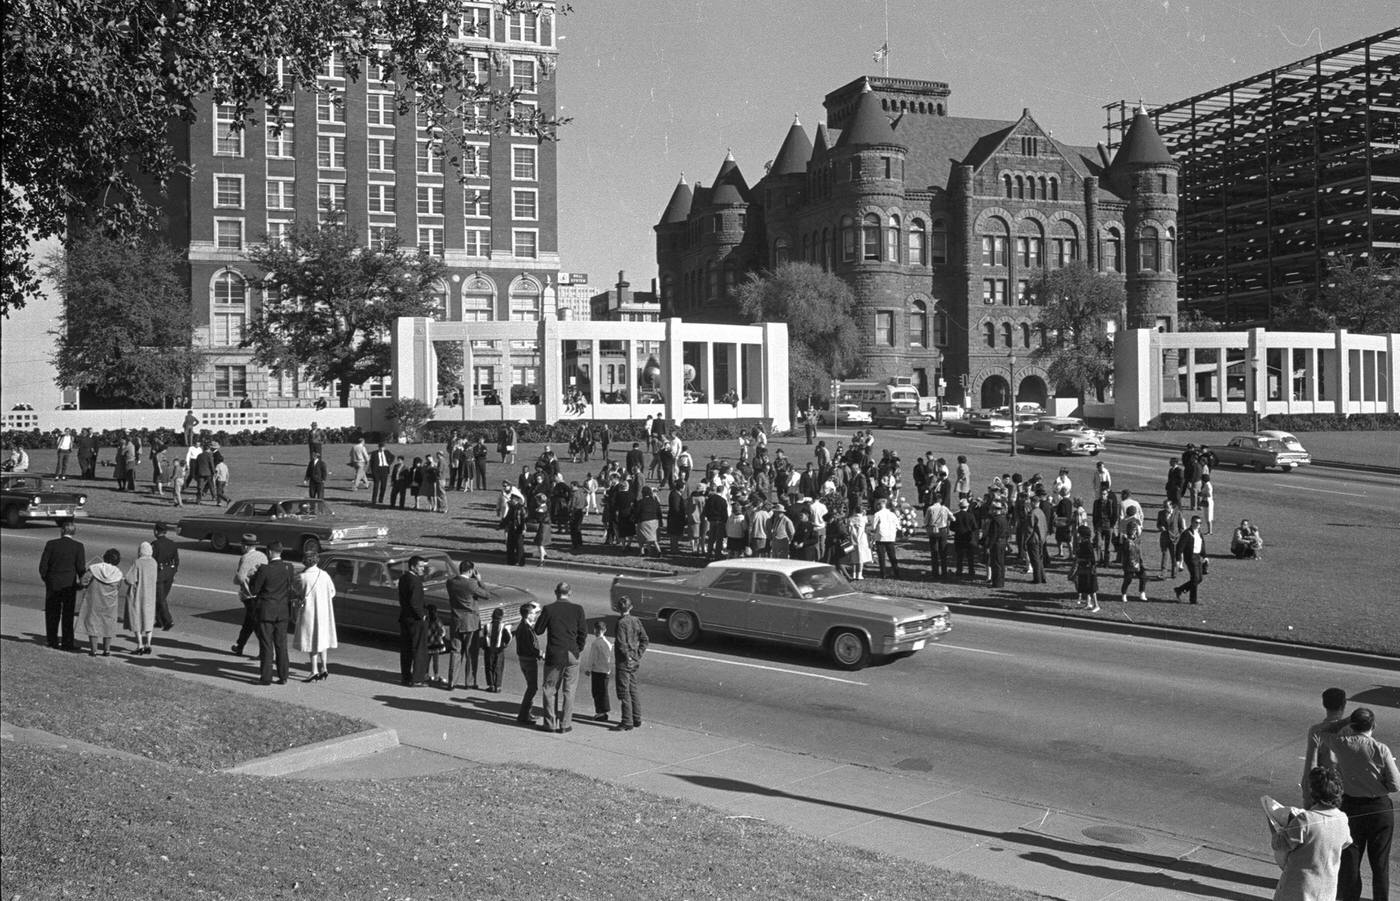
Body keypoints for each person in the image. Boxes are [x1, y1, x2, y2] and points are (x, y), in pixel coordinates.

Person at [1318, 708, 1399, 901]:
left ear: (1351, 725)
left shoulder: (1341, 743)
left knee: (1351, 861)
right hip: (1379, 809)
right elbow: (1395, 784)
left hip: (1351, 808)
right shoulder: (1380, 749)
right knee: (1380, 863)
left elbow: (1321, 732)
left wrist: (1343, 721)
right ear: (1373, 725)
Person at [1269, 766, 1353, 901]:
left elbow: (1279, 844)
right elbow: (1346, 842)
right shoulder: (1342, 819)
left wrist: (1277, 828)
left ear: (1313, 792)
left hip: (1298, 889)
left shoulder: (1305, 819)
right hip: (1326, 890)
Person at [533, 581, 588, 734]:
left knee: (550, 689)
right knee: (569, 690)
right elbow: (583, 632)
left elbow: (538, 630)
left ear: (555, 592)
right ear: (570, 593)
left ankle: (550, 724)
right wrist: (578, 649)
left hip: (555, 654)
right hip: (572, 653)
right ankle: (565, 724)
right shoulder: (578, 609)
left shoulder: (549, 609)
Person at [248, 540, 298, 685]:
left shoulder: (264, 569)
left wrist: (253, 576)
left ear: (269, 552)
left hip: (266, 611)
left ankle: (266, 677)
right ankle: (283, 676)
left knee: (266, 645)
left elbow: (254, 590)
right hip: (282, 611)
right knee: (281, 644)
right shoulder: (289, 567)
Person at [39, 520, 87, 650]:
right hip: (69, 584)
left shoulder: (51, 544)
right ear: (74, 532)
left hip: (53, 582)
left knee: (52, 613)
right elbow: (80, 568)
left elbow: (43, 567)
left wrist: (47, 580)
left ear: (62, 531)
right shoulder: (78, 546)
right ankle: (67, 642)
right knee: (67, 614)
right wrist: (81, 582)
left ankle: (52, 640)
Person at [295, 551, 337, 682]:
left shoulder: (302, 577)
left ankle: (314, 670)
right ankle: (324, 667)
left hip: (309, 611)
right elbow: (332, 592)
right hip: (324, 612)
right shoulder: (324, 575)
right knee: (322, 640)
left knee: (311, 641)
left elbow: (298, 591)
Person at [1302, 688, 1349, 807]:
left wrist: (1307, 795)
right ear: (1344, 704)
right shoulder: (1351, 730)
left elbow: (1311, 765)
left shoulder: (1316, 731)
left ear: (1324, 704)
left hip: (1326, 789)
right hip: (1347, 790)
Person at [446, 561, 487, 690]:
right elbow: (486, 595)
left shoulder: (451, 582)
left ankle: (452, 681)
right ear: (471, 571)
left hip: (456, 620)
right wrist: (480, 580)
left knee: (455, 651)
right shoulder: (472, 584)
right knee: (471, 652)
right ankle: (469, 682)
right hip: (471, 622)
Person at [611, 595, 648, 732]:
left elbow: (621, 644)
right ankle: (636, 718)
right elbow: (645, 639)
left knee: (624, 691)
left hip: (624, 662)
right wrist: (637, 654)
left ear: (618, 609)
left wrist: (628, 657)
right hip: (634, 659)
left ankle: (627, 721)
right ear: (630, 607)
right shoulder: (636, 620)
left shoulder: (621, 623)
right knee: (633, 690)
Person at [77, 548, 123, 657]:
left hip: (94, 600)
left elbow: (83, 581)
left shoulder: (94, 569)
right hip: (109, 603)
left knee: (93, 624)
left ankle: (94, 650)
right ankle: (107, 650)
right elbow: (118, 587)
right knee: (108, 625)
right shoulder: (118, 573)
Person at [230, 534, 267, 657]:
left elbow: (240, 578)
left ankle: (264, 650)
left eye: (242, 545)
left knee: (255, 624)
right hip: (260, 593)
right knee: (249, 623)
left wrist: (236, 579)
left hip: (249, 594)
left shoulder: (245, 557)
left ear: (245, 546)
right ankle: (240, 646)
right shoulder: (263, 556)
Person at [397, 555, 430, 686]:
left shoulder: (403, 578)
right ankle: (417, 678)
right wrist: (423, 615)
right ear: (412, 567)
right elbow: (415, 602)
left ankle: (406, 677)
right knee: (419, 649)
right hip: (416, 620)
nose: (423, 569)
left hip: (405, 617)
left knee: (406, 649)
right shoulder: (415, 581)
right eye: (420, 566)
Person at [121, 541, 159, 655]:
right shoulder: (154, 562)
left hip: (138, 594)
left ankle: (140, 644)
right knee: (148, 619)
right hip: (150, 595)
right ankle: (148, 643)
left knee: (136, 619)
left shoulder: (138, 563)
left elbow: (129, 579)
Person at [514, 601, 545, 725]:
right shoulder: (525, 629)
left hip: (524, 659)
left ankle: (527, 713)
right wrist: (541, 654)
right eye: (533, 613)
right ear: (527, 615)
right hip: (528, 660)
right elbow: (530, 647)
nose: (535, 615)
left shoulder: (523, 626)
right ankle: (524, 714)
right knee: (532, 688)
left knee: (531, 687)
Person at [580, 619, 614, 722]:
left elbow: (592, 658)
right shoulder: (608, 643)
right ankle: (604, 711)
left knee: (597, 692)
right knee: (603, 692)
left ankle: (600, 712)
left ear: (595, 630)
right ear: (605, 630)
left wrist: (588, 669)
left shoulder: (595, 643)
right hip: (606, 671)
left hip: (597, 671)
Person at [151, 522, 178, 632]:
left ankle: (168, 620)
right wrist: (173, 572)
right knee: (160, 598)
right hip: (169, 572)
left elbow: (151, 561)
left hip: (159, 573)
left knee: (160, 598)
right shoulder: (172, 544)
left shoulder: (155, 545)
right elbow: (176, 561)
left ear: (156, 531)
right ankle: (159, 620)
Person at [1173, 515, 1206, 604]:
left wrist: (1205, 556)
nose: (1198, 524)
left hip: (1198, 557)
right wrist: (1178, 560)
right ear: (1191, 522)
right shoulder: (1187, 533)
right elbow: (1180, 547)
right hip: (1190, 557)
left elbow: (1202, 545)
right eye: (1196, 522)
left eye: (1200, 523)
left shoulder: (1199, 533)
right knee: (1195, 578)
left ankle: (1180, 589)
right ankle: (1193, 600)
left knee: (1199, 579)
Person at [481, 606, 512, 693]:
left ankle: (491, 685)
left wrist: (484, 646)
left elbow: (484, 636)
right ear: (501, 617)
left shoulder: (487, 626)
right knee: (498, 667)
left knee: (489, 667)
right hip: (499, 650)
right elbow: (508, 638)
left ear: (492, 616)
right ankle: (497, 686)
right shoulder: (503, 626)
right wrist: (504, 645)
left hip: (489, 649)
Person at [1070, 525, 1100, 612]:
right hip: (1083, 569)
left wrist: (1080, 559)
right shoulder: (1082, 544)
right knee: (1085, 587)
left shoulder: (1088, 545)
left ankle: (1096, 605)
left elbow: (1092, 559)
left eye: (1079, 534)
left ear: (1083, 535)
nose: (1078, 536)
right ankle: (1088, 603)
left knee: (1091, 588)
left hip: (1089, 570)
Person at [1118, 520, 1148, 602]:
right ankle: (1124, 594)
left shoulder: (1138, 540)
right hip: (1129, 563)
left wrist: (1141, 562)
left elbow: (1139, 551)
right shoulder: (1125, 540)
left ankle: (1142, 593)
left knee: (1143, 577)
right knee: (1128, 579)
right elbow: (1123, 551)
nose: (1135, 531)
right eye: (1133, 530)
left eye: (1135, 530)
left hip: (1138, 562)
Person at [870, 498, 901, 579]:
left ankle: (883, 573)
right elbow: (898, 526)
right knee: (892, 556)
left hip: (881, 537)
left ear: (879, 505)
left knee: (881, 556)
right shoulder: (892, 514)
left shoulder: (877, 514)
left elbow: (873, 527)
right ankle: (896, 572)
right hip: (890, 536)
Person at [424, 605, 449, 685]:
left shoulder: (426, 620)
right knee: (436, 661)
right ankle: (436, 675)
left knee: (427, 660)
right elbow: (443, 632)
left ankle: (426, 674)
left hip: (428, 643)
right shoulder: (438, 621)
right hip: (437, 643)